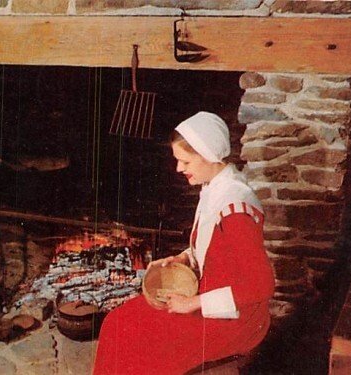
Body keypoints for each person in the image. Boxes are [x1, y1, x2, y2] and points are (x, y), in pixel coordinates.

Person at [93, 111, 275, 375]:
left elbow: (261, 285)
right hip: (208, 301)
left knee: (137, 341)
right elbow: (217, 247)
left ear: (208, 155)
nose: (179, 168)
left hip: (233, 321)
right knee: (116, 322)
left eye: (185, 161)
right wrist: (183, 258)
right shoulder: (216, 187)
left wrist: (192, 303)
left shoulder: (236, 209)